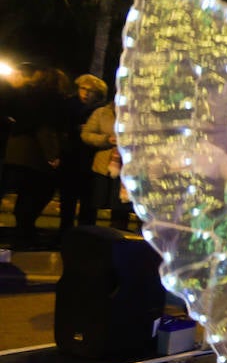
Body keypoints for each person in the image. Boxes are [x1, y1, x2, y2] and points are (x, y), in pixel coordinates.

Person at [3, 67, 68, 249]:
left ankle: (23, 234)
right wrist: (52, 155)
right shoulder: (50, 101)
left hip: (16, 154)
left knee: (25, 195)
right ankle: (25, 236)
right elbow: (45, 129)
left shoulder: (26, 96)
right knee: (38, 194)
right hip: (34, 156)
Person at [56, 75, 106, 234]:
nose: (85, 93)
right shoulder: (68, 106)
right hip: (70, 158)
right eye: (83, 88)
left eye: (90, 90)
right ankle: (65, 233)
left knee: (89, 202)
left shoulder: (102, 111)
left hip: (92, 160)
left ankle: (85, 235)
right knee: (68, 199)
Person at [79, 98, 132, 229]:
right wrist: (106, 139)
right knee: (95, 201)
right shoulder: (102, 113)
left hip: (127, 167)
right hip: (103, 165)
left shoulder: (139, 115)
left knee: (120, 207)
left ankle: (117, 237)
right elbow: (86, 134)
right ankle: (88, 234)